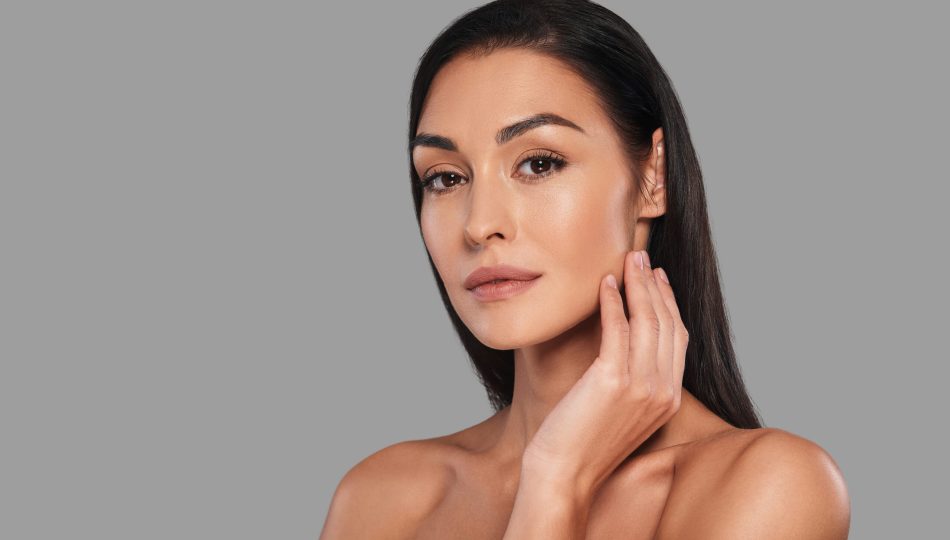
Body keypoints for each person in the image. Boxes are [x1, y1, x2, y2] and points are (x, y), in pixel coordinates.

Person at [320, 1, 850, 538]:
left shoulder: (770, 486)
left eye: (539, 163)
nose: (479, 225)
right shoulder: (382, 499)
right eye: (446, 178)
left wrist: (558, 478)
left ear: (654, 177)